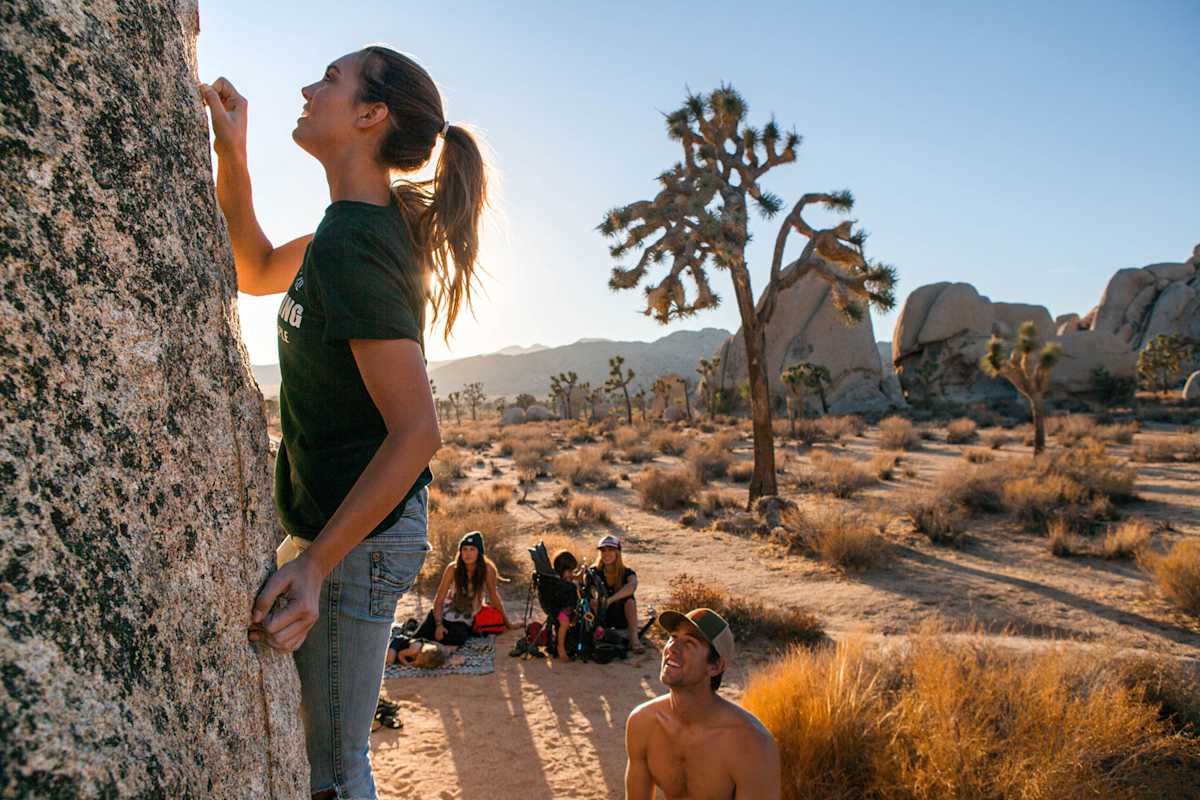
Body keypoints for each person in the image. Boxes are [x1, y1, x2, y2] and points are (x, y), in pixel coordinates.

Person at [201, 45, 487, 800]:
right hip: (347, 525)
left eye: (329, 78)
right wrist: (235, 153)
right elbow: (256, 268)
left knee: (334, 771)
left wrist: (316, 563)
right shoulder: (345, 231)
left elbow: (417, 431)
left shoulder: (359, 244)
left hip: (361, 537)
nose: (306, 86)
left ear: (370, 115)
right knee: (321, 755)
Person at [624, 608, 781, 800]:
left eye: (689, 642)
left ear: (715, 666)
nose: (672, 648)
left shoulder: (752, 744)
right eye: (673, 637)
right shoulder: (643, 722)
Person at [415, 531, 520, 646]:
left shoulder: (488, 569)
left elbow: (494, 597)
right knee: (419, 637)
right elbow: (439, 599)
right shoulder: (452, 568)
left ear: (479, 552)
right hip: (446, 610)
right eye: (464, 549)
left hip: (467, 614)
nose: (467, 553)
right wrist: (439, 624)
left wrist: (508, 624)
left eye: (472, 549)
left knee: (456, 639)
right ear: (460, 552)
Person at [593, 534, 644, 653]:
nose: (606, 553)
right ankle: (599, 634)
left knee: (629, 600)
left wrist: (610, 600)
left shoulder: (627, 572)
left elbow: (632, 586)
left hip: (620, 617)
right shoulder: (594, 571)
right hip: (601, 616)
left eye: (610, 550)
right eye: (603, 550)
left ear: (618, 552)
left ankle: (634, 640)